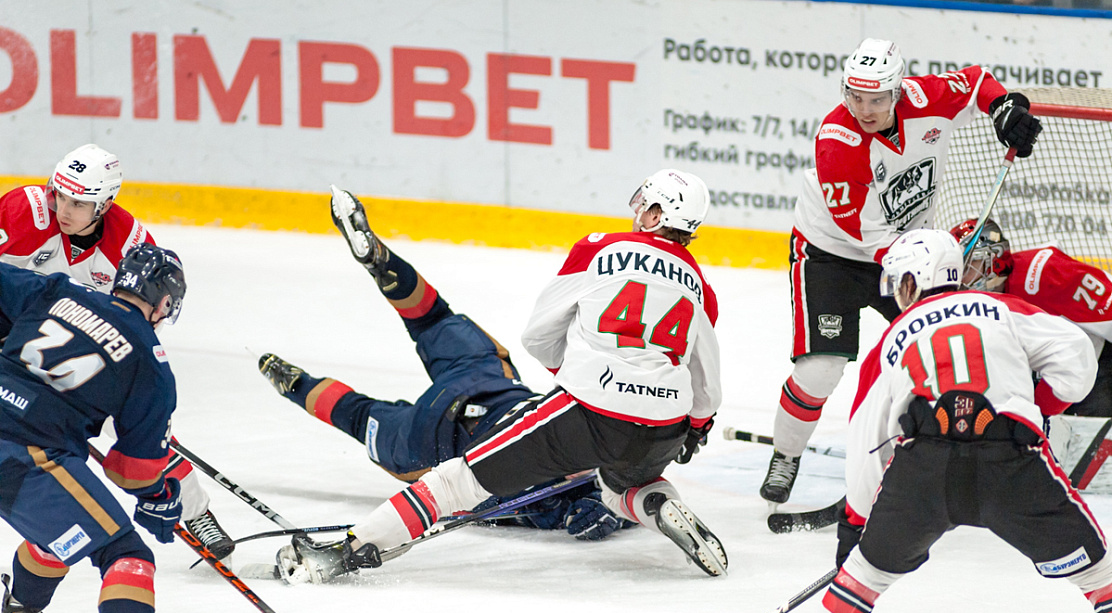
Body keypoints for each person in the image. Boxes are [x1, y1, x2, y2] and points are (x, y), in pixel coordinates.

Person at [273, 168, 725, 583]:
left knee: (452, 468)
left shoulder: (600, 248)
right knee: (620, 485)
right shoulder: (702, 287)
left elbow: (538, 336)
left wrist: (583, 379)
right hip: (664, 426)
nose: (636, 211)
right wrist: (694, 430)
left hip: (537, 398)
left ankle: (340, 555)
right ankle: (658, 501)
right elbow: (706, 387)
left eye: (644, 204)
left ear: (657, 213)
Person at [794, 229, 1112, 613]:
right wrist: (1032, 407)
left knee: (863, 578)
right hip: (1011, 462)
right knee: (1101, 576)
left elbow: (867, 437)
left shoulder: (894, 338)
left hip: (924, 471)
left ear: (912, 282)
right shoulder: (1005, 309)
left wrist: (857, 523)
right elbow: (1077, 355)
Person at [256, 185, 636, 541]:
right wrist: (602, 514)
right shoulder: (560, 498)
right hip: (433, 441)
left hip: (487, 384)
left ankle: (379, 259)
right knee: (359, 417)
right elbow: (506, 504)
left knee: (432, 318)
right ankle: (295, 384)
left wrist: (602, 509)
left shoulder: (602, 429)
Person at [760, 37, 1043, 505]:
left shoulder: (925, 98)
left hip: (910, 251)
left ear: (898, 91)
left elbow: (976, 82)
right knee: (820, 371)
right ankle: (786, 454)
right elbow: (864, 233)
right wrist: (932, 262)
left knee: (949, 351)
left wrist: (1003, 108)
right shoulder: (839, 142)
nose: (864, 110)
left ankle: (956, 448)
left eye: (876, 99)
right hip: (833, 255)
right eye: (855, 97)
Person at [0, 144, 233, 560]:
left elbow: (138, 322)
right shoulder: (23, 210)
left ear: (104, 204)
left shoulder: (131, 244)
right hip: (14, 339)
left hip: (70, 348)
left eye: (79, 202)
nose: (64, 210)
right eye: (61, 195)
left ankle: (195, 510)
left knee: (144, 432)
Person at [0, 244, 189, 613]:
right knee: (127, 556)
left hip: (19, 446)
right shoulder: (151, 363)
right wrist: (159, 495)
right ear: (164, 303)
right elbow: (132, 473)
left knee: (64, 526)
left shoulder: (59, 291)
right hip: (26, 460)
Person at [952, 218, 1112, 416]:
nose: (959, 278)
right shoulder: (971, 303)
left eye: (967, 267)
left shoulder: (1044, 274)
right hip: (1055, 382)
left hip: (1097, 374)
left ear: (994, 260)